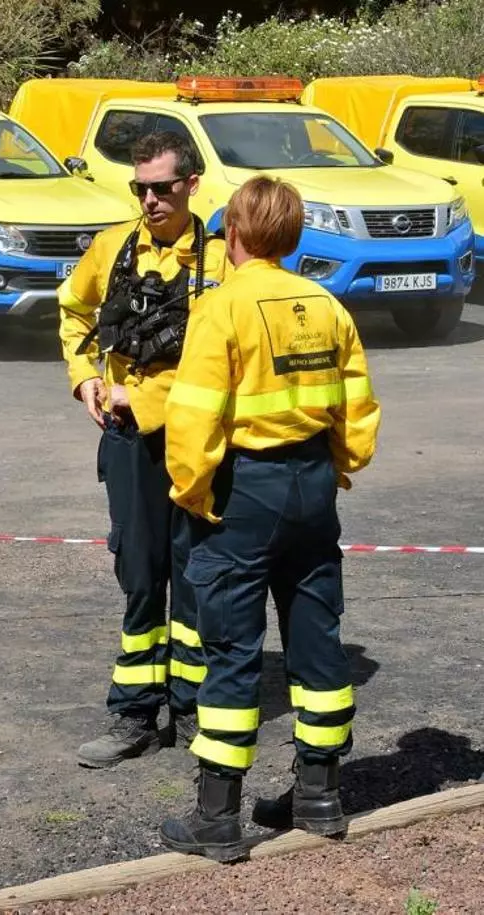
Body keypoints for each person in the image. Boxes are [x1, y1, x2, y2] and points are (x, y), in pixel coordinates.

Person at [159, 175, 381, 861]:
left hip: (244, 491)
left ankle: (217, 817)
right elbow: (357, 408)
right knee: (318, 638)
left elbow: (194, 415)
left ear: (235, 232)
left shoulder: (221, 308)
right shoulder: (327, 305)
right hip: (313, 486)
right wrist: (336, 467)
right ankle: (320, 797)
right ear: (292, 234)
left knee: (231, 646)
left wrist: (192, 491)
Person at [58, 132, 230, 768]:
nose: (150, 200)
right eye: (140, 189)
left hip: (198, 440)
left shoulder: (222, 262)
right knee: (139, 573)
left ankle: (192, 707)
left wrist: (148, 398)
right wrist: (84, 377)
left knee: (195, 574)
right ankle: (134, 713)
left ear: (192, 184)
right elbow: (73, 313)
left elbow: (233, 354)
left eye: (161, 187)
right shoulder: (112, 248)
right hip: (130, 442)